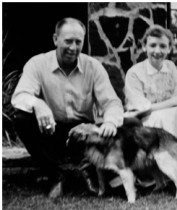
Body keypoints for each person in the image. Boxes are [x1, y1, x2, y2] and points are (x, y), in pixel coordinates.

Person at [11, 17, 124, 198]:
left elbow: (112, 102)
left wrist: (110, 121)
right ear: (56, 39)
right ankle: (57, 175)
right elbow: (19, 97)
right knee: (21, 119)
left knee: (117, 126)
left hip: (81, 133)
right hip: (49, 130)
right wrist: (38, 103)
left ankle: (90, 173)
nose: (73, 47)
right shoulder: (37, 64)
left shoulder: (93, 67)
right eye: (68, 41)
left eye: (78, 42)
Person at [124, 25, 177, 159]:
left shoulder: (170, 67)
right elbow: (141, 109)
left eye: (163, 46)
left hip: (171, 117)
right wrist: (173, 102)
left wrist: (175, 102)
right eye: (153, 45)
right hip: (144, 123)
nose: (157, 51)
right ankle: (164, 159)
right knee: (172, 113)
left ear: (169, 48)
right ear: (145, 47)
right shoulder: (134, 73)